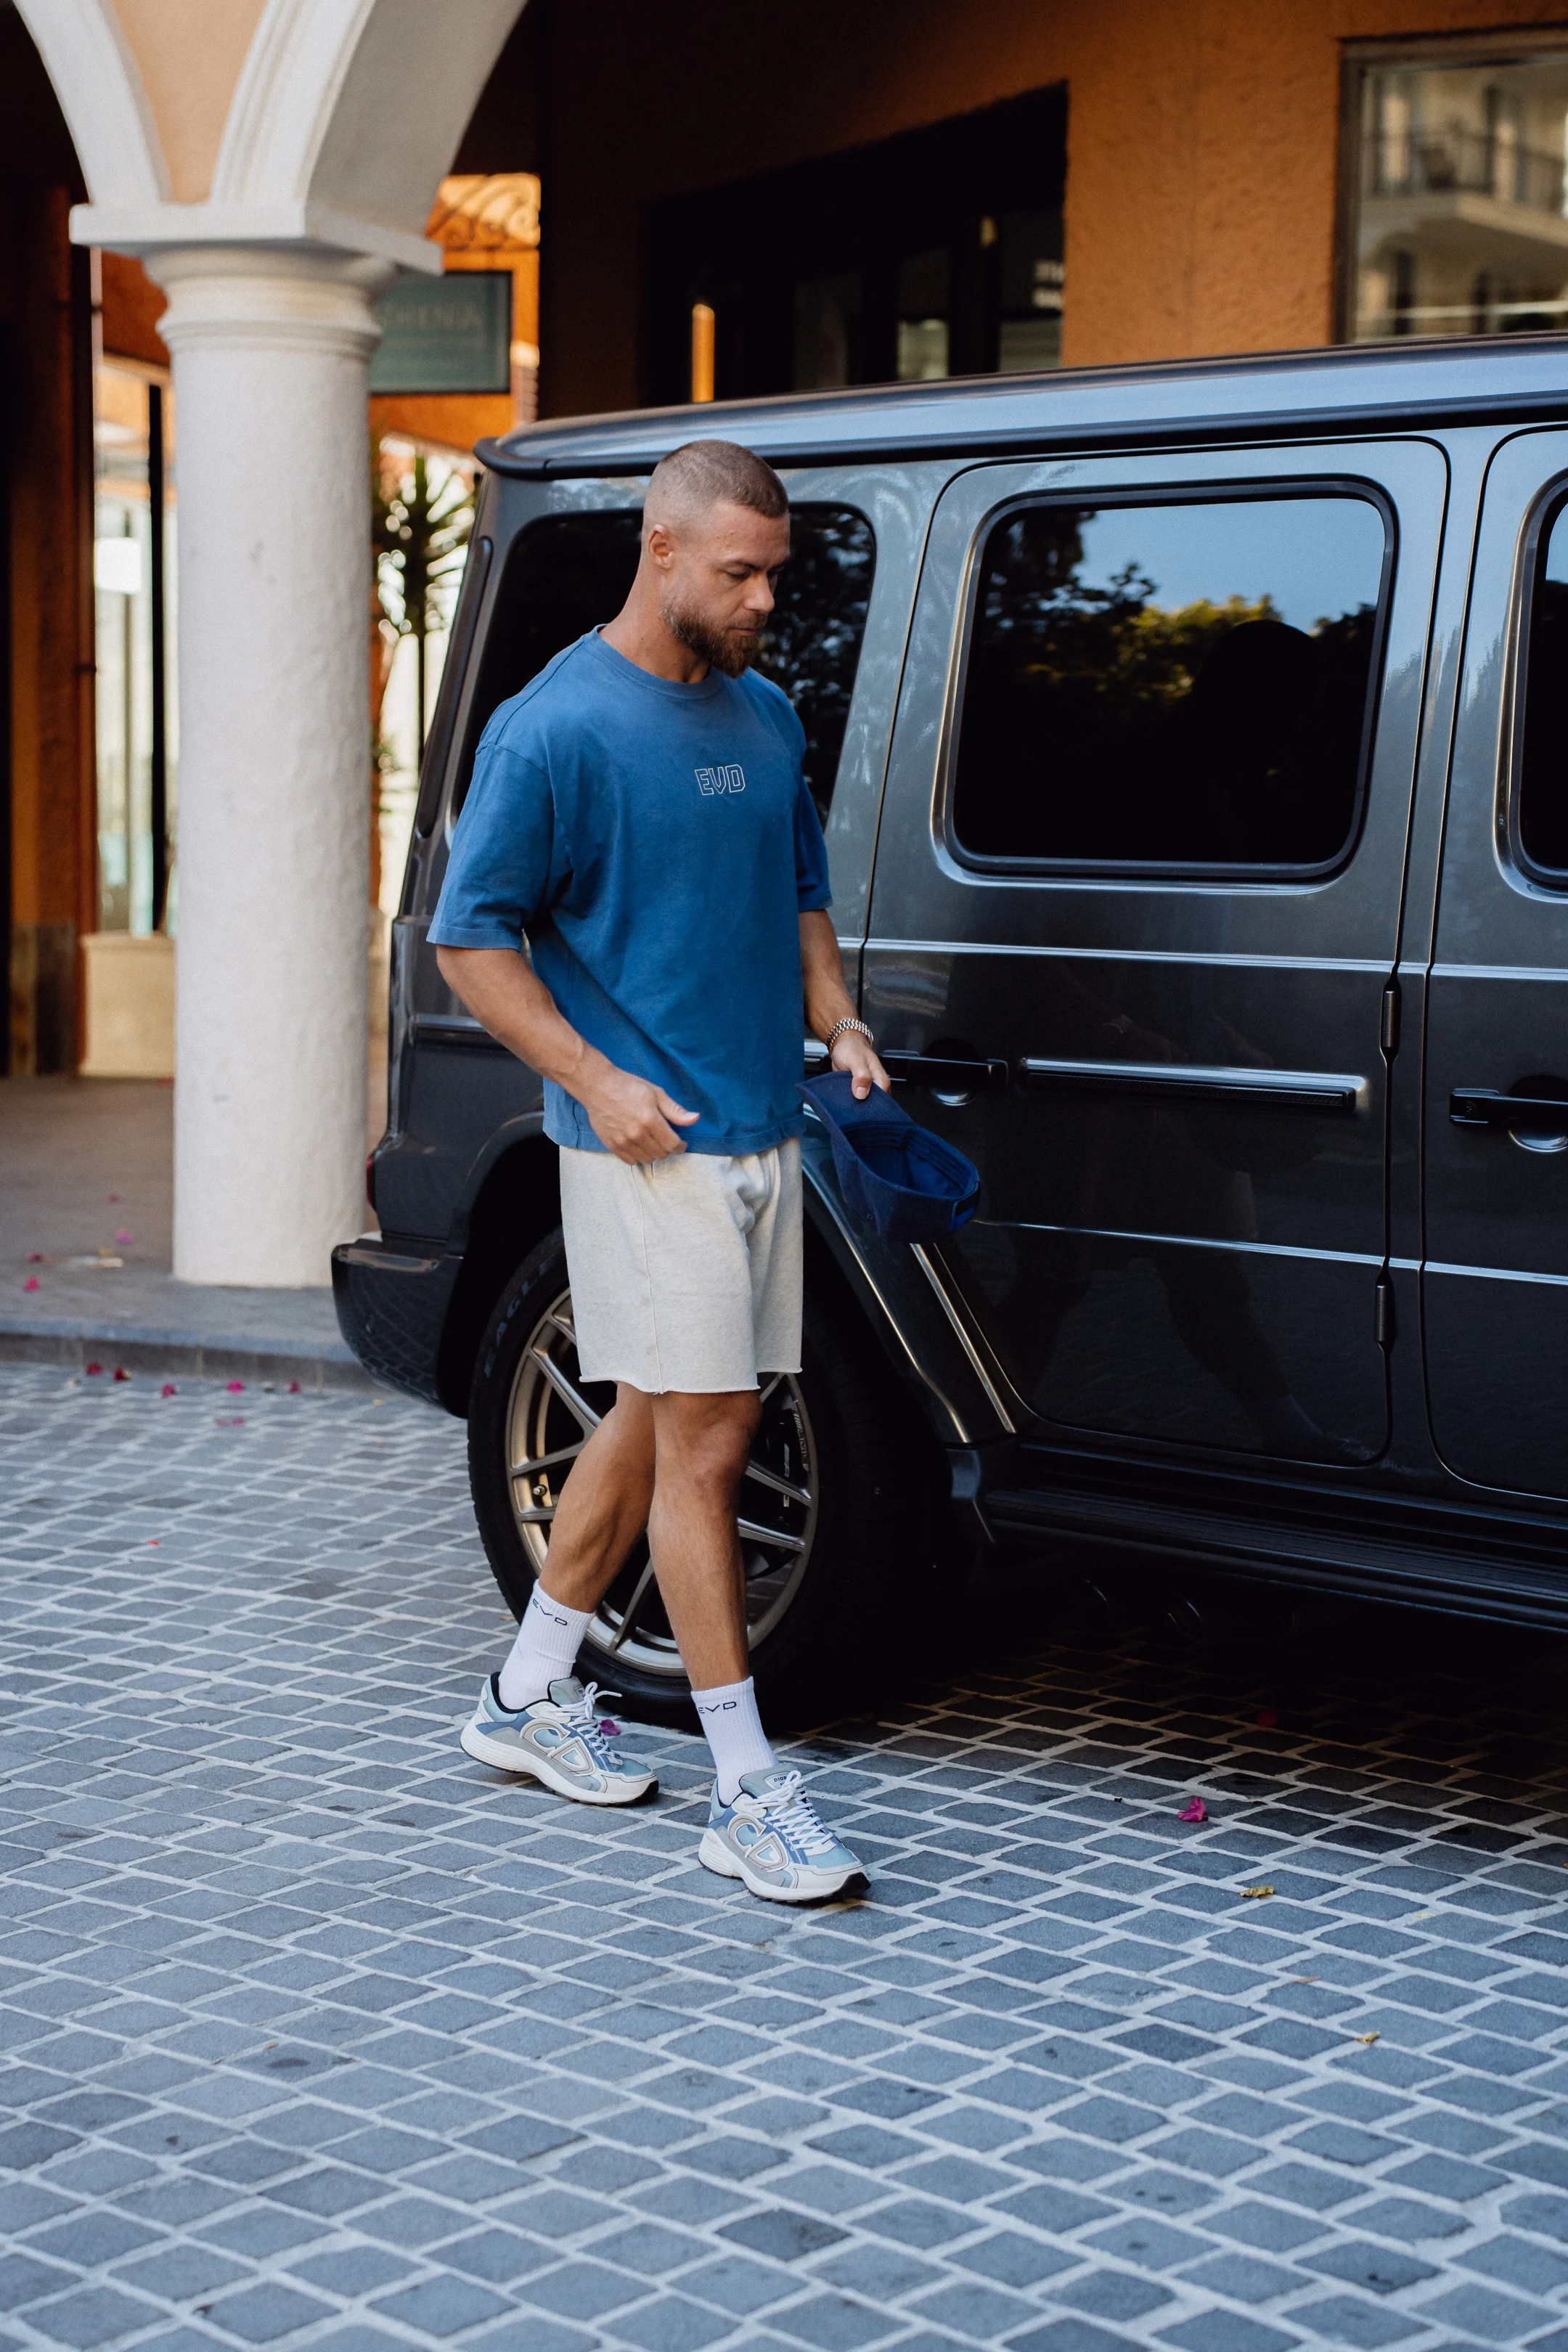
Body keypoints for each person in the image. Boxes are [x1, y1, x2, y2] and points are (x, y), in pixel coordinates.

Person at [429, 438, 887, 1904]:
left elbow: (801, 893)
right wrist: (596, 1080)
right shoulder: (553, 729)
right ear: (663, 548)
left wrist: (841, 1019)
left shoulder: (763, 717)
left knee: (650, 1412)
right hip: (647, 1150)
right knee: (708, 1443)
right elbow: (469, 939)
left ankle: (528, 1690)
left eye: (776, 574)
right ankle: (746, 1789)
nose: (766, 599)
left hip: (764, 1130)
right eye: (741, 573)